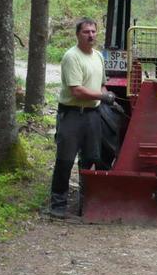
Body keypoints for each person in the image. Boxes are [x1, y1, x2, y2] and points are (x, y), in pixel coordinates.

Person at [49, 17, 116, 218]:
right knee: (65, 159)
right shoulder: (72, 57)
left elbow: (102, 84)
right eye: (86, 32)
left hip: (93, 115)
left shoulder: (98, 57)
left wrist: (107, 95)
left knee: (90, 158)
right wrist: (102, 96)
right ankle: (58, 205)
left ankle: (85, 203)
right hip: (72, 114)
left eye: (93, 31)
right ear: (78, 34)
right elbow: (76, 90)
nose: (91, 35)